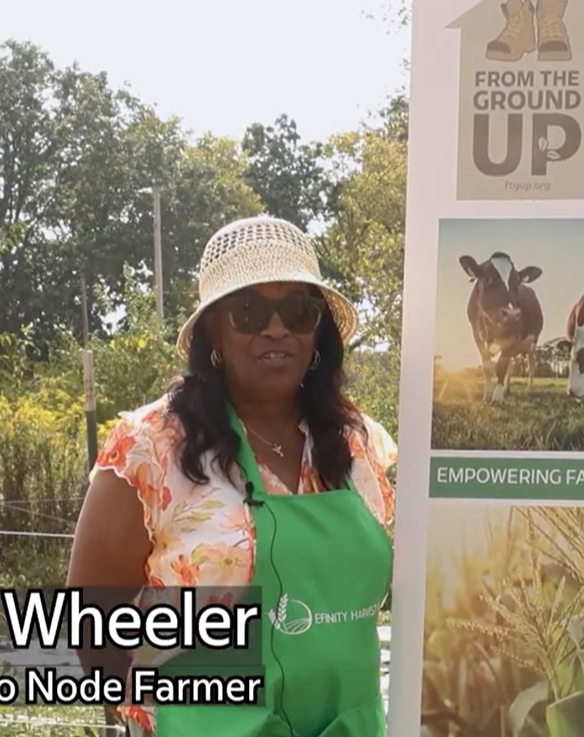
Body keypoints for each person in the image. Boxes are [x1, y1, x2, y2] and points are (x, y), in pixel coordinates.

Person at [67, 215, 397, 736]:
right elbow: (91, 622)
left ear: (318, 332)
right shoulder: (150, 449)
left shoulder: (359, 444)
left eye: (297, 310)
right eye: (249, 311)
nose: (276, 328)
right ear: (214, 330)